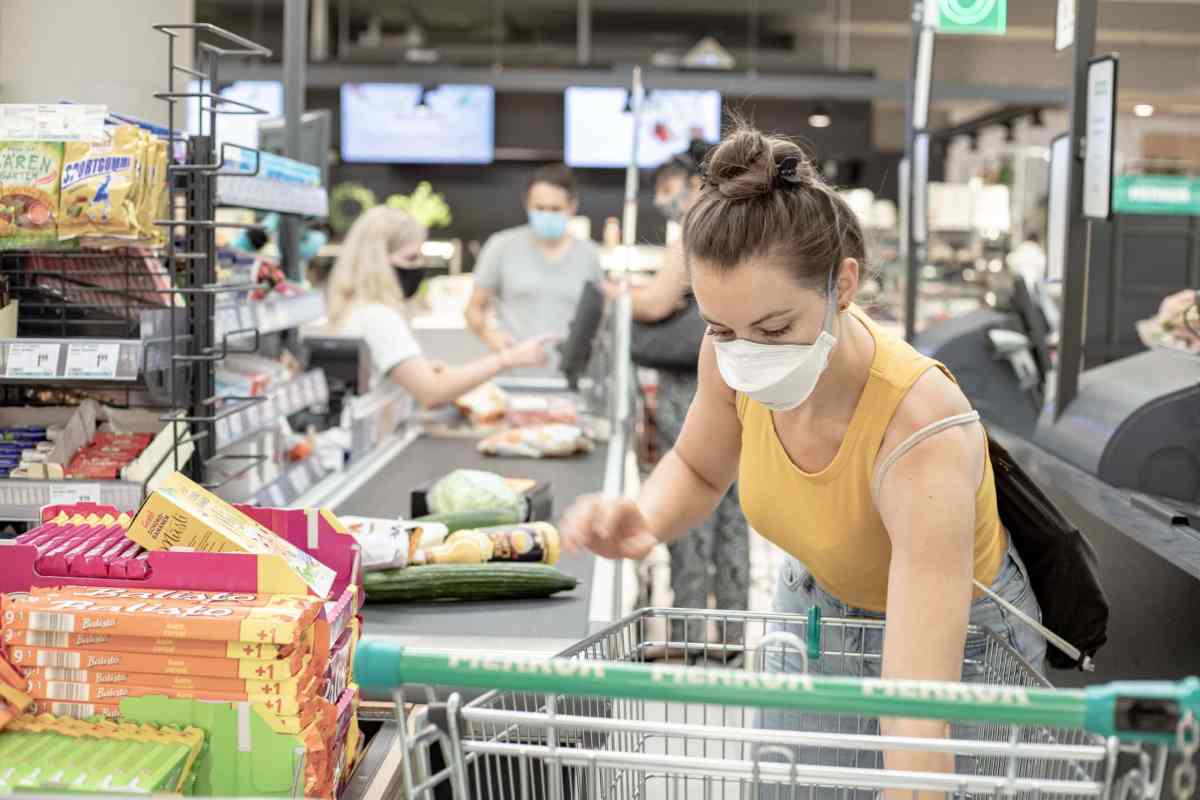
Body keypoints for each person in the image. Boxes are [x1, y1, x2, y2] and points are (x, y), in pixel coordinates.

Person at [562, 125, 1046, 782]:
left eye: (774, 328)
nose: (746, 353)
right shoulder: (729, 359)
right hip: (815, 612)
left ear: (841, 285)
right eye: (720, 327)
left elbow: (917, 713)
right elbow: (701, 469)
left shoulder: (918, 430)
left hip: (960, 644)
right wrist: (643, 519)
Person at [627, 145, 751, 656]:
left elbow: (657, 302)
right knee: (735, 512)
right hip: (744, 381)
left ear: (696, 185)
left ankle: (688, 638)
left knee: (692, 509)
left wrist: (617, 295)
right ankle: (736, 636)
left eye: (671, 186)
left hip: (692, 384)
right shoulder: (744, 232)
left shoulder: (693, 236)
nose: (667, 198)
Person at [324, 206, 552, 407]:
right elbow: (432, 392)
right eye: (411, 258)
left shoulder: (359, 308)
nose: (419, 267)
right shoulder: (378, 316)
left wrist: (422, 371)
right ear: (378, 262)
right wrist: (507, 359)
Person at [465, 164, 604, 369]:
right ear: (527, 205)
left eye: (555, 209)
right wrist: (492, 338)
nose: (547, 215)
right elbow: (473, 309)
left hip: (571, 378)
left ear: (572, 207)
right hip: (515, 377)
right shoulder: (501, 246)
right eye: (539, 208)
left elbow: (598, 318)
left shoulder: (589, 255)